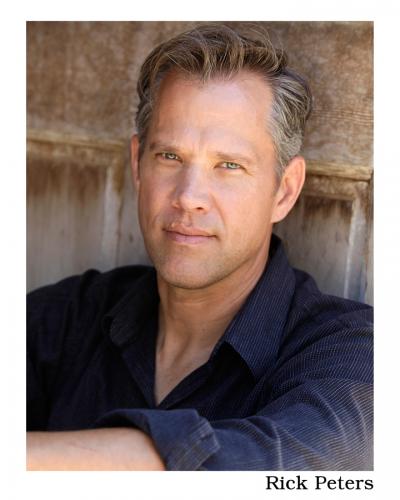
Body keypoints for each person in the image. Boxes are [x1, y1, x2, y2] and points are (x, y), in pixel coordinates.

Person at [26, 23, 373, 471]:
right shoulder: (67, 319)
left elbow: (280, 473)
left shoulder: (352, 352)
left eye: (229, 165)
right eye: (170, 156)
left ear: (284, 191)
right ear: (138, 166)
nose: (188, 196)